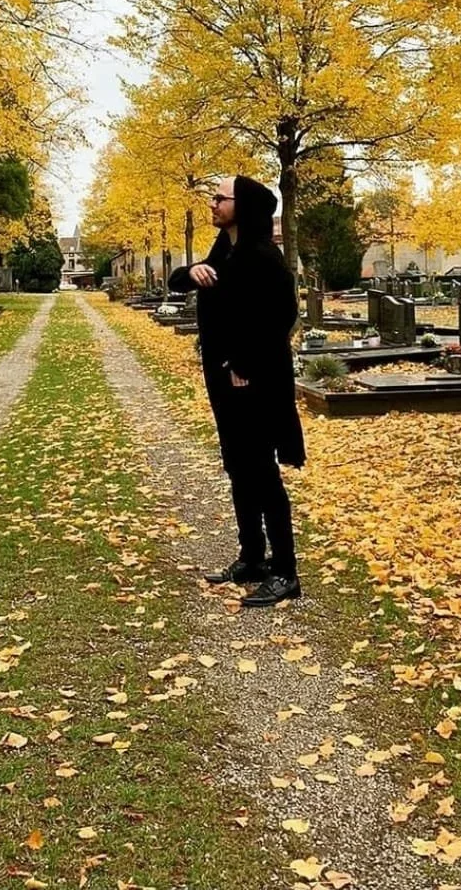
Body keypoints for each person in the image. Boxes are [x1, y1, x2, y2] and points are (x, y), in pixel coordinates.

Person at [169, 174, 304, 607]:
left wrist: (244, 364)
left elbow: (280, 317)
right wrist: (190, 271)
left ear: (241, 206)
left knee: (262, 473)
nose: (212, 204)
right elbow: (178, 281)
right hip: (225, 381)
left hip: (255, 380)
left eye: (219, 198)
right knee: (239, 469)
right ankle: (251, 556)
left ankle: (285, 571)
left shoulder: (263, 257)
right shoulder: (223, 252)